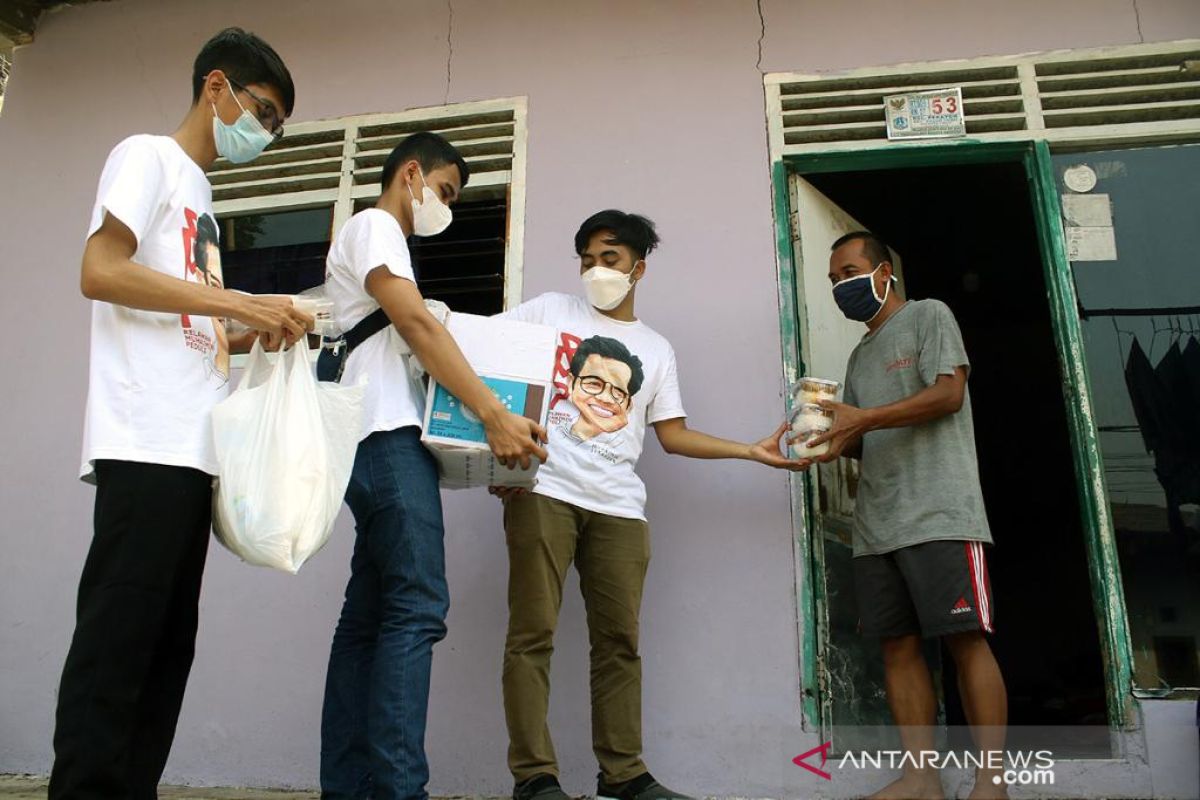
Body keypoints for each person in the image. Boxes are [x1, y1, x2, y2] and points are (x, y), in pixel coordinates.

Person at [51, 27, 312, 800]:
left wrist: (250, 327)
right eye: (260, 112)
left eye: (274, 125)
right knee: (119, 644)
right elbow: (100, 270)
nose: (262, 133)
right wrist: (235, 298)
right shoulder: (147, 157)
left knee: (167, 650)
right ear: (215, 88)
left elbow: (189, 323)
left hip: (195, 451)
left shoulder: (202, 198)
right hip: (146, 440)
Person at [491, 210, 804, 800]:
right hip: (544, 493)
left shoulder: (657, 349)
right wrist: (494, 446)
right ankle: (534, 779)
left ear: (639, 267)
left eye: (608, 259)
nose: (595, 270)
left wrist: (750, 451)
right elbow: (487, 359)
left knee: (620, 644)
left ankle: (624, 776)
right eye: (586, 258)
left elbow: (673, 433)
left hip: (620, 511)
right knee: (532, 635)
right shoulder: (549, 311)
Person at [319, 131, 549, 800]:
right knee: (418, 608)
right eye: (444, 191)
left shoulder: (368, 241)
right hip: (385, 438)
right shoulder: (375, 226)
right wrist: (493, 415)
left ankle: (349, 787)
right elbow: (417, 326)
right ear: (411, 174)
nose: (444, 206)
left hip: (365, 438)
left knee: (370, 620)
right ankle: (398, 790)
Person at [801, 231, 1007, 800]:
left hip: (939, 511)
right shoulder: (859, 355)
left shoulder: (928, 316)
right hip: (878, 524)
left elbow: (948, 396)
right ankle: (922, 780)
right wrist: (822, 444)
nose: (842, 286)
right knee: (897, 647)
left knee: (966, 638)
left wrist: (861, 420)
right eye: (834, 280)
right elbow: (869, 437)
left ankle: (993, 782)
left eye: (849, 273)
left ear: (884, 272)